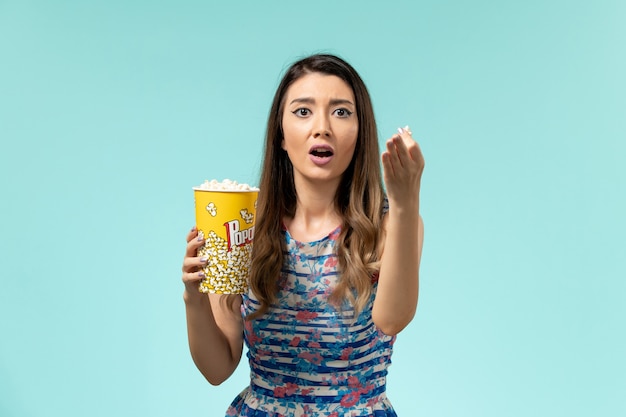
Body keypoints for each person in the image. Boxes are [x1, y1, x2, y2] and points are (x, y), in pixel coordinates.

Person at [181, 53, 424, 416]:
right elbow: (217, 369)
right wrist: (194, 297)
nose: (322, 126)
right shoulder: (242, 225)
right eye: (302, 111)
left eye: (341, 111)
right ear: (280, 133)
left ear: (361, 133)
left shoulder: (391, 222)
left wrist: (405, 204)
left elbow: (392, 319)